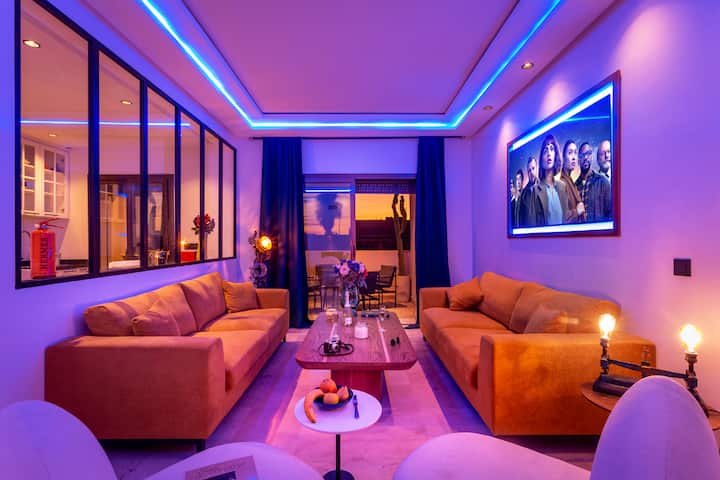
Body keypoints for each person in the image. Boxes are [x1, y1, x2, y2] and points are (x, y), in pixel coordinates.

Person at [535, 134, 569, 226]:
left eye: (552, 149)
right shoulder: (534, 191)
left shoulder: (562, 187)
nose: (549, 153)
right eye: (545, 150)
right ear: (541, 159)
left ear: (556, 155)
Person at [575, 142, 611, 222]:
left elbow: (610, 213)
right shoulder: (575, 186)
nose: (585, 157)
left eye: (588, 154)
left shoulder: (602, 181)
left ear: (591, 157)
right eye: (582, 155)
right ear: (578, 160)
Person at [560, 140, 585, 223]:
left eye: (575, 153)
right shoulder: (561, 184)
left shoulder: (570, 181)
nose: (574, 157)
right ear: (563, 158)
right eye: (570, 153)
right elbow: (560, 217)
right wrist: (577, 212)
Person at [518, 156, 541, 227]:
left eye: (533, 168)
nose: (531, 172)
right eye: (529, 170)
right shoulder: (523, 194)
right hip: (528, 232)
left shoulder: (544, 187)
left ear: (537, 168)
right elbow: (521, 218)